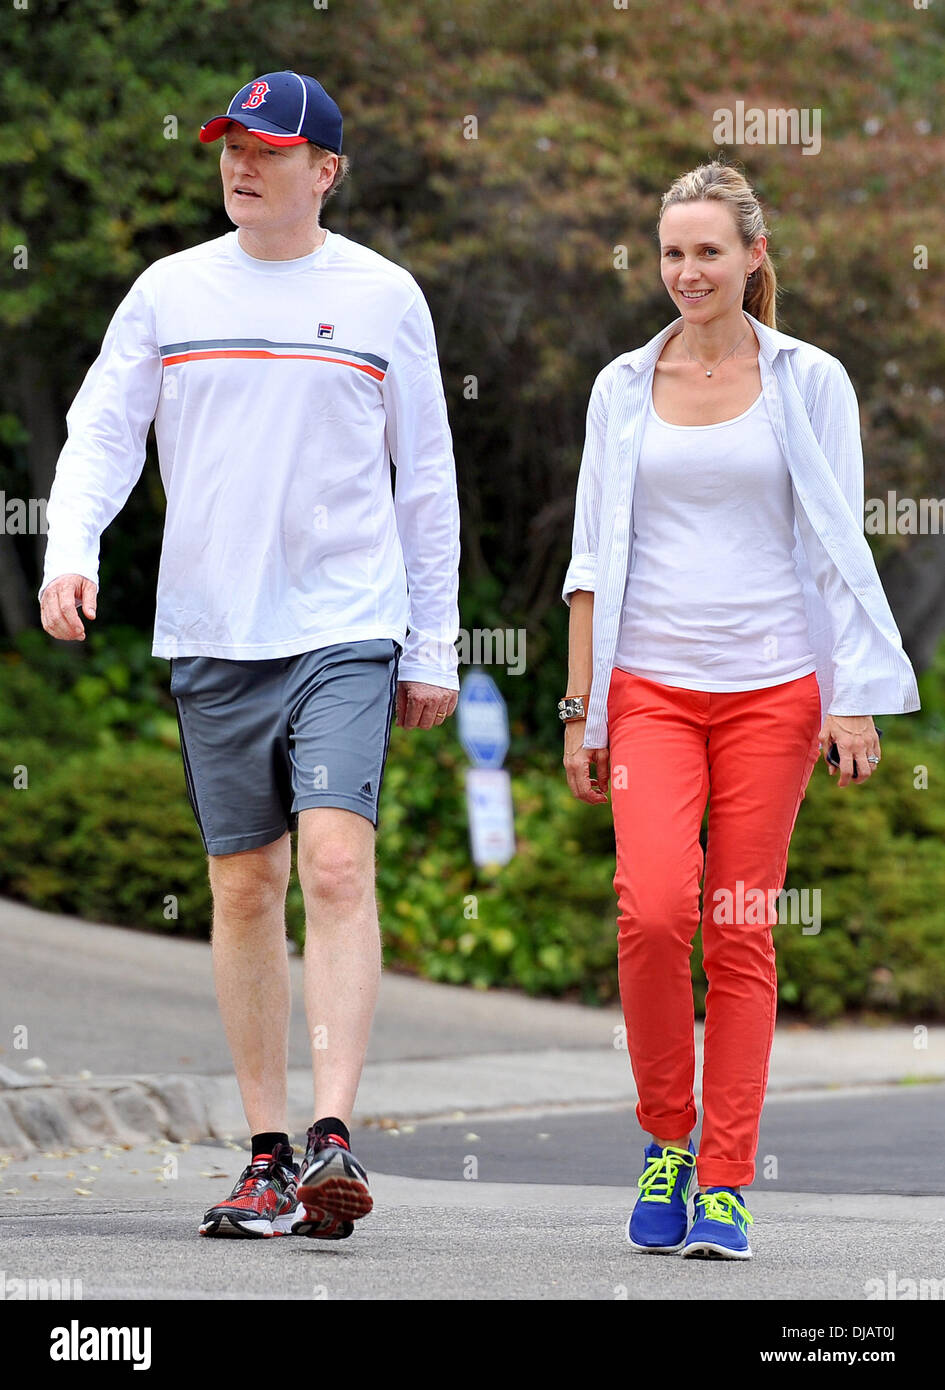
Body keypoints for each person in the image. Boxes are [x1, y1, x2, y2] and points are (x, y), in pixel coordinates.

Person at [39, 71, 460, 1241]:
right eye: (232, 146)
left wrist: (433, 642)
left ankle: (334, 1133)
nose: (243, 165)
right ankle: (267, 1152)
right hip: (216, 629)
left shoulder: (382, 298)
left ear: (325, 170)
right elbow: (102, 432)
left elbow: (425, 480)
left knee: (332, 865)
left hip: (344, 626)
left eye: (271, 151)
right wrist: (70, 549)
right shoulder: (171, 291)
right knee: (244, 883)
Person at [561, 161, 919, 1260]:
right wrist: (583, 707)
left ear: (753, 256)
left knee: (740, 925)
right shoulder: (623, 384)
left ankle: (724, 1177)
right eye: (672, 252)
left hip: (773, 688)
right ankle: (667, 1141)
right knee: (655, 909)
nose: (687, 271)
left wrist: (852, 698)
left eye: (709, 251)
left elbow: (838, 550)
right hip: (651, 686)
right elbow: (587, 558)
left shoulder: (811, 381)